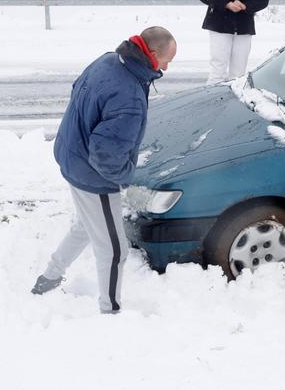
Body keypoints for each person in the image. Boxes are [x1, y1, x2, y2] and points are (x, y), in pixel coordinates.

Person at [31, 26, 177, 314]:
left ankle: (49, 277)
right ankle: (110, 311)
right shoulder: (130, 96)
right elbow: (106, 155)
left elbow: (78, 94)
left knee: (86, 225)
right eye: (168, 60)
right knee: (114, 250)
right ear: (154, 53)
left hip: (71, 155)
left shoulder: (109, 60)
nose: (168, 67)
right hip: (93, 176)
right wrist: (124, 178)